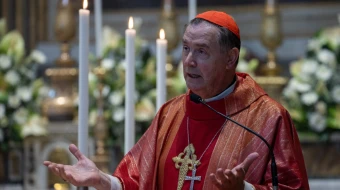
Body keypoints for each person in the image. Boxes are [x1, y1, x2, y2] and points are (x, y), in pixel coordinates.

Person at [44, 10, 310, 190]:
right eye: (185, 48)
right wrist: (102, 180)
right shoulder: (171, 113)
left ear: (231, 58)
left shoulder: (267, 119)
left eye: (202, 51)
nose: (189, 61)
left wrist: (245, 189)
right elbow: (136, 180)